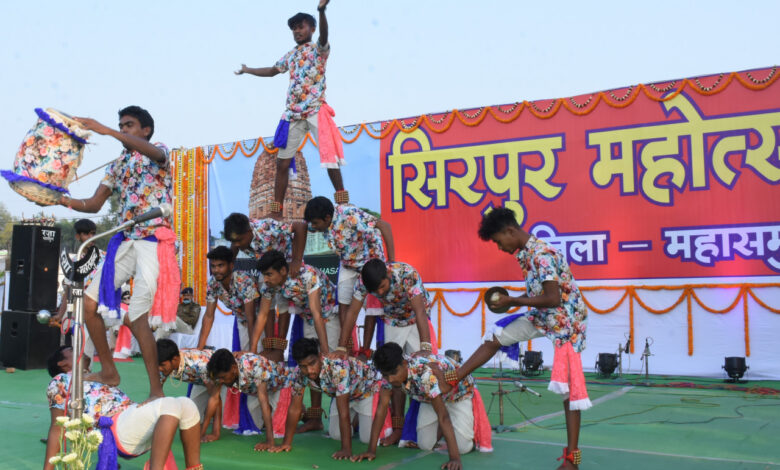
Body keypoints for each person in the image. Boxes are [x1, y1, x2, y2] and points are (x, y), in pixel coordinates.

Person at [453, 208, 591, 469]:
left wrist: (513, 300)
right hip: (543, 316)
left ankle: (572, 460)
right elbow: (542, 296)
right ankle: (453, 378)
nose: (499, 247)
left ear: (510, 231)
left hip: (567, 323)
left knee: (570, 392)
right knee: (495, 336)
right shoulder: (526, 254)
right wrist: (513, 302)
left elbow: (553, 298)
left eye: (498, 241)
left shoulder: (541, 255)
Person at [57, 105, 178, 401]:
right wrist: (59, 200)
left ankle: (156, 391)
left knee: (137, 318)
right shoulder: (117, 165)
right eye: (121, 125)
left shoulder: (158, 150)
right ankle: (109, 371)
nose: (124, 129)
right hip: (126, 241)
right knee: (88, 304)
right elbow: (93, 204)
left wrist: (107, 131)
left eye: (129, 125)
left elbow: (155, 153)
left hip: (153, 241)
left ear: (146, 130)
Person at [234, 0, 349, 218]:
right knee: (282, 163)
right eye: (294, 28)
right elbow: (272, 71)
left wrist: (321, 11)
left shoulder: (318, 49)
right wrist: (248, 70)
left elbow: (324, 35)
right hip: (293, 114)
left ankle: (343, 202)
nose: (297, 31)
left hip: (315, 109)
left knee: (330, 157)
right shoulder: (291, 55)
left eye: (301, 27)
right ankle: (276, 211)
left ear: (311, 29)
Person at [44, 352, 203, 470]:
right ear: (62, 363)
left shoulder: (98, 376)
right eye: (73, 350)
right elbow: (57, 427)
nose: (81, 349)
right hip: (114, 428)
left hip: (131, 417)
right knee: (170, 404)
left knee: (187, 404)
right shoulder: (60, 380)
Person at [336, 258, 435, 444]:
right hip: (393, 322)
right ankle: (397, 429)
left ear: (388, 274)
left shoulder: (407, 274)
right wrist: (341, 346)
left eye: (382, 287)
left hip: (416, 321)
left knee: (423, 371)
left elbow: (420, 312)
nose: (380, 293)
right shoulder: (362, 282)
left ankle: (422, 429)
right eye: (376, 291)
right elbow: (352, 312)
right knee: (392, 374)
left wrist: (425, 347)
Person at [250, 249, 341, 432]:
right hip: (308, 319)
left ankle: (344, 413)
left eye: (269, 274)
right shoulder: (269, 285)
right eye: (264, 275)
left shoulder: (307, 275)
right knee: (312, 367)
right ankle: (315, 419)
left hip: (329, 317)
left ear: (283, 271)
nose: (265, 279)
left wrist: (325, 352)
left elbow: (317, 313)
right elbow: (262, 316)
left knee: (331, 366)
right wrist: (252, 351)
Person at [353, 342, 481, 470]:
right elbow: (381, 410)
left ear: (404, 364)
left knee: (462, 448)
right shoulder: (387, 374)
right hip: (431, 398)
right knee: (425, 444)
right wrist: (371, 450)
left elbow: (443, 417)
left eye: (393, 373)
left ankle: (463, 427)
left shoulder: (424, 374)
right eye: (386, 375)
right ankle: (446, 428)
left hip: (457, 395)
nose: (390, 379)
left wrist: (454, 458)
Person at [268, 338, 385, 460]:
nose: (309, 371)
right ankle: (356, 420)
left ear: (320, 356)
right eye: (303, 366)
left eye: (312, 363)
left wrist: (346, 449)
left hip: (365, 392)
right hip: (342, 395)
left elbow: (343, 412)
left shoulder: (337, 368)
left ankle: (362, 417)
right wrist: (286, 443)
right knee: (336, 435)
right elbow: (295, 408)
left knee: (366, 438)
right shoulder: (298, 373)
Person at [304, 196, 394, 350]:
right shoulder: (321, 223)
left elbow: (385, 226)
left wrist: (391, 263)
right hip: (348, 264)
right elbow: (303, 227)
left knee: (371, 308)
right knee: (343, 304)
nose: (313, 227)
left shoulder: (349, 215)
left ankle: (365, 350)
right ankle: (346, 347)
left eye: (315, 223)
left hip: (369, 263)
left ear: (327, 218)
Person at [206, 348, 293, 452]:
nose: (220, 381)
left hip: (281, 386)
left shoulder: (254, 365)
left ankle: (300, 412)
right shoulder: (226, 366)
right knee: (254, 426)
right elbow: (214, 398)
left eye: (223, 377)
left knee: (277, 431)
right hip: (259, 390)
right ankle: (274, 413)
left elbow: (263, 400)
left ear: (233, 368)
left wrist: (270, 441)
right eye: (219, 378)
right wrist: (210, 433)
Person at [157, 339, 221, 442]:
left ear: (174, 360)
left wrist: (209, 433)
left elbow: (215, 397)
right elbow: (157, 392)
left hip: (218, 374)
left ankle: (216, 430)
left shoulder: (199, 364)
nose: (159, 368)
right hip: (201, 381)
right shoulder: (164, 363)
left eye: (162, 365)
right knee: (192, 416)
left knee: (213, 401)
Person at [197, 246, 261, 351]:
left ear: (231, 266)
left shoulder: (243, 280)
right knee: (245, 358)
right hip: (243, 322)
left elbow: (251, 317)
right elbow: (209, 316)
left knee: (257, 356)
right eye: (213, 266)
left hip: (259, 322)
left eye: (220, 265)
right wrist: (199, 349)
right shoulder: (213, 283)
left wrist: (252, 350)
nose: (216, 270)